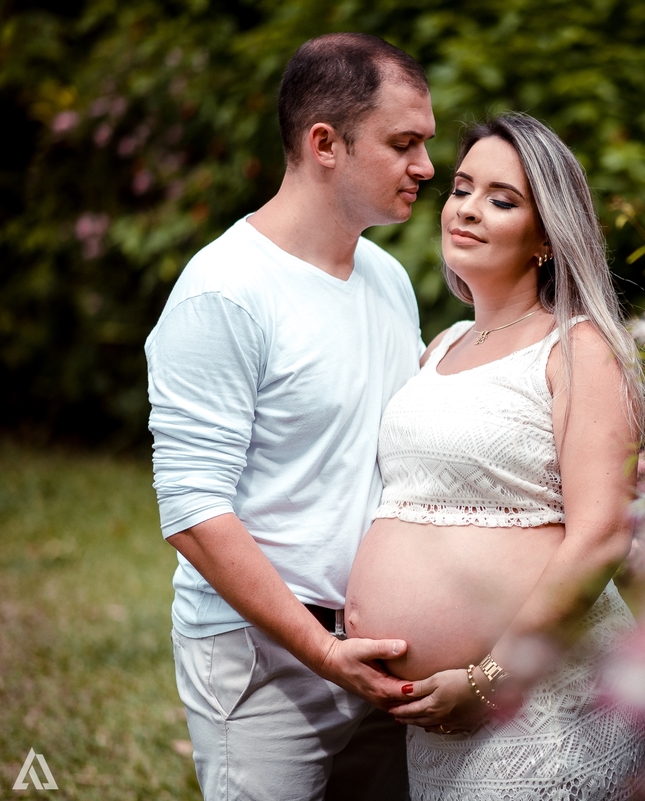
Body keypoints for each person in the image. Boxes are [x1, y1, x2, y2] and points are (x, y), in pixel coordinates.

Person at [145, 33, 434, 800]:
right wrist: (322, 649)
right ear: (324, 143)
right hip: (263, 655)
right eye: (404, 143)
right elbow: (193, 511)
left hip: (383, 646)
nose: (427, 168)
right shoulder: (225, 291)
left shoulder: (388, 275)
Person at [344, 112, 645, 800]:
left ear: (546, 235)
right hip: (438, 714)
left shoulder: (580, 348)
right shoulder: (442, 345)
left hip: (545, 699)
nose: (468, 210)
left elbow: (602, 534)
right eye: (461, 189)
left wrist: (490, 679)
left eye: (502, 199)